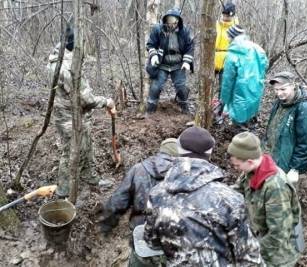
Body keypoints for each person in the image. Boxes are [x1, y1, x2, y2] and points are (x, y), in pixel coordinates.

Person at [141, 126, 264, 266]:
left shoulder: (157, 194)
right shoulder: (230, 199)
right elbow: (249, 258)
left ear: (179, 151)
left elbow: (151, 241)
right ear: (210, 153)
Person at [47, 24, 116, 198]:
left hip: (71, 114)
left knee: (85, 146)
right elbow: (86, 100)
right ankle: (63, 191)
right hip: (69, 117)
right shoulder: (67, 67)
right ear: (74, 44)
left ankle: (89, 178)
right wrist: (107, 102)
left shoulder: (58, 58)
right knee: (71, 152)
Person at [98, 138, 179, 267]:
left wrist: (106, 225)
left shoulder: (138, 169)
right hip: (174, 241)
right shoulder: (186, 175)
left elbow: (118, 201)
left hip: (143, 236)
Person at [228, 131, 303, 267]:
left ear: (250, 161)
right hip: (259, 237)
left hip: (276, 256)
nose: (235, 168)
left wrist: (249, 251)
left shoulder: (275, 187)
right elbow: (236, 192)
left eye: (237, 165)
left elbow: (278, 234)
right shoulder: (250, 172)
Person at [263, 71, 307, 185]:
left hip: (287, 161)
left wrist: (295, 168)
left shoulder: (304, 108)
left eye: (283, 89)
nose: (279, 93)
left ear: (293, 85)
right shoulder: (280, 102)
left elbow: (305, 141)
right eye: (276, 90)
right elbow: (271, 126)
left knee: (285, 191)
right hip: (273, 154)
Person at [146, 8, 194, 114]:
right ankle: (150, 111)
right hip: (162, 63)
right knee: (155, 87)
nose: (170, 23)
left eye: (173, 20)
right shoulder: (158, 29)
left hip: (178, 64)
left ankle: (185, 110)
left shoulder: (184, 31)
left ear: (178, 21)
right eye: (168, 20)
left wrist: (186, 62)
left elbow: (190, 47)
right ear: (165, 20)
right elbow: (150, 44)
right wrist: (153, 56)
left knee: (181, 87)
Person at [220, 25, 268, 128]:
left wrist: (224, 100)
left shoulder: (232, 54)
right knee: (251, 108)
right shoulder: (257, 48)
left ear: (232, 37)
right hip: (256, 86)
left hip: (239, 89)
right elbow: (265, 65)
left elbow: (228, 81)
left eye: (228, 36)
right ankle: (250, 126)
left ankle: (239, 136)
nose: (227, 38)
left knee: (238, 115)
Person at [214, 2, 238, 90]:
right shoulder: (215, 24)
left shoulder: (236, 28)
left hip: (227, 60)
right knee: (207, 85)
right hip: (213, 57)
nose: (225, 17)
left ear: (233, 16)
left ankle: (222, 103)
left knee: (223, 87)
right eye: (224, 15)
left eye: (228, 16)